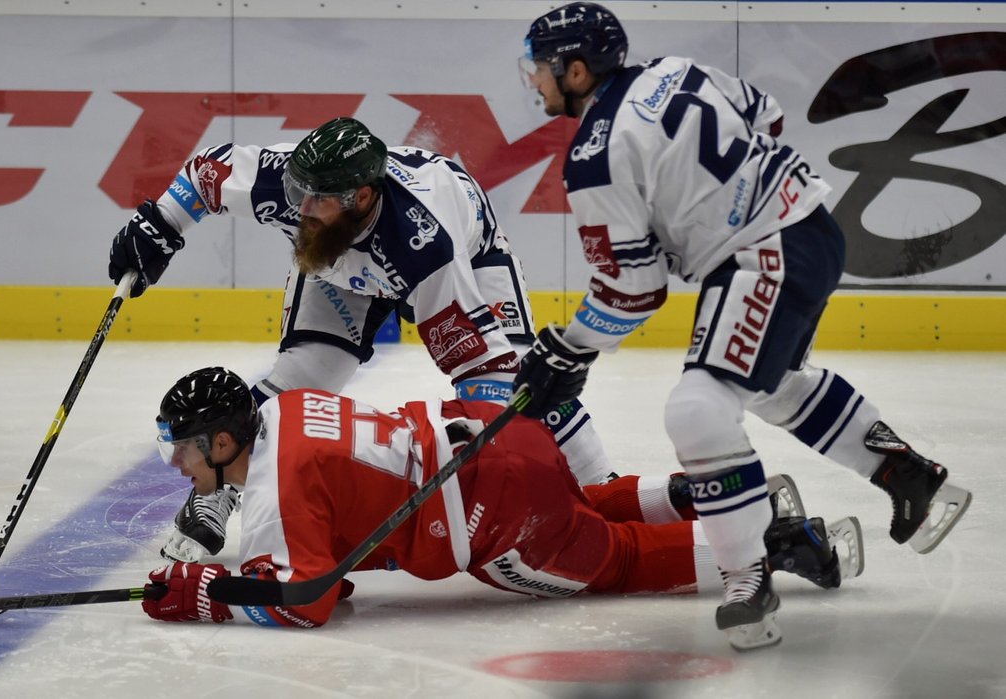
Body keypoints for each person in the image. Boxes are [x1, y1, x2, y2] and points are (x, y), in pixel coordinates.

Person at [511, 2, 971, 650]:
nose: (534, 81)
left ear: (578, 70)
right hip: (811, 227)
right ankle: (907, 474)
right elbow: (765, 114)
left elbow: (632, 292)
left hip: (765, 254)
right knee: (767, 382)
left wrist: (568, 346)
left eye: (541, 69)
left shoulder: (594, 156)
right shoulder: (676, 70)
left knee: (697, 410)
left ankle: (746, 572)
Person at [107, 117, 616, 564]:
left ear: (363, 197)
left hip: (470, 257)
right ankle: (218, 489)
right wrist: (158, 225)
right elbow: (208, 172)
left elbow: (484, 376)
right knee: (303, 376)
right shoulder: (287, 185)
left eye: (317, 199)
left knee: (524, 377)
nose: (300, 208)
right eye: (297, 191)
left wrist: (493, 454)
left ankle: (605, 490)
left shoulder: (425, 249)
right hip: (336, 266)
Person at [141, 367, 862, 629]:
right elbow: (327, 537)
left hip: (501, 516)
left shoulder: (271, 495)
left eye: (186, 445)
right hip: (499, 437)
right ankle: (707, 495)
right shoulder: (290, 408)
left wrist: (201, 591)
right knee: (583, 498)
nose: (176, 461)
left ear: (226, 443)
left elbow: (308, 601)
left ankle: (781, 543)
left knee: (612, 561)